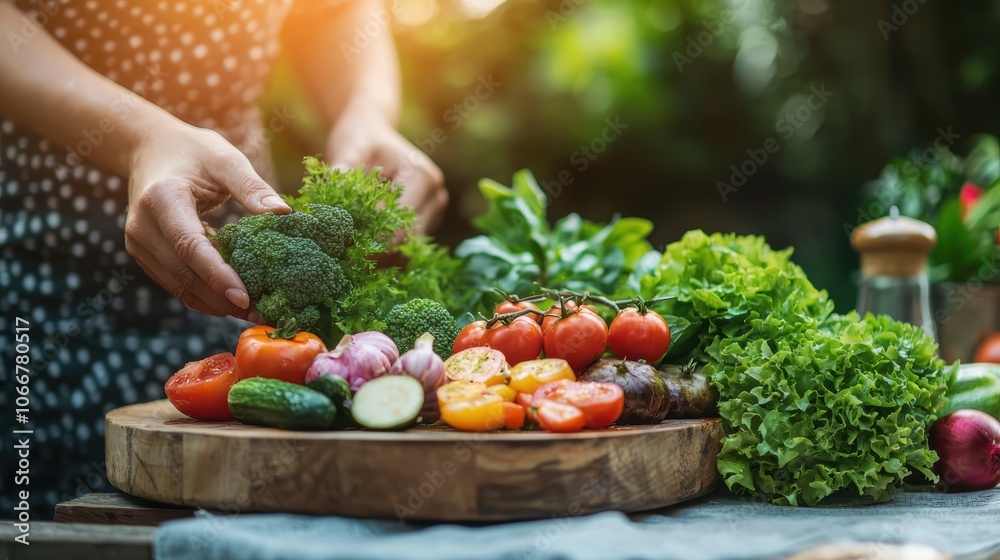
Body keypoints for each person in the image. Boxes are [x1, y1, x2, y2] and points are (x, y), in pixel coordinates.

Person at [0, 0, 446, 517]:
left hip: (233, 263)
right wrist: (138, 135)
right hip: (49, 273)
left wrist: (366, 111)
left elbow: (332, 11)